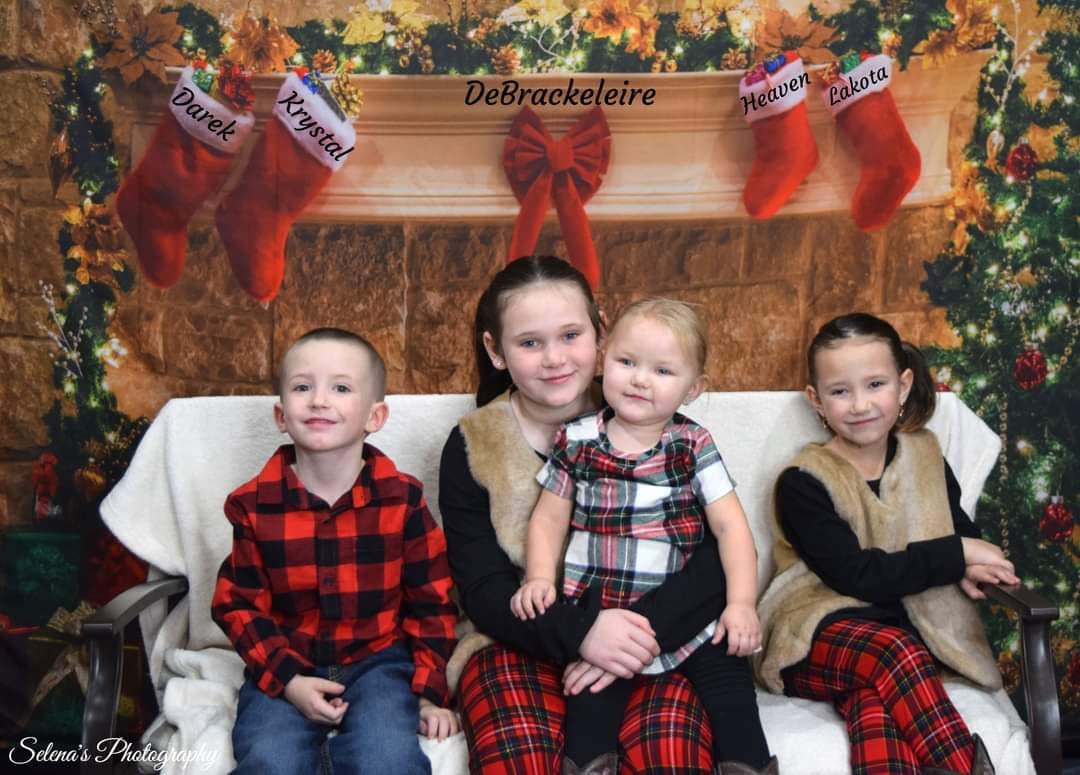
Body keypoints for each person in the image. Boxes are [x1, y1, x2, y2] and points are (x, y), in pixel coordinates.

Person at [439, 256, 731, 774]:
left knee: (672, 750)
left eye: (570, 335)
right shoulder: (472, 443)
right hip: (515, 639)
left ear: (600, 329)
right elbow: (482, 588)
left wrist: (637, 633)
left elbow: (714, 560)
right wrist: (582, 632)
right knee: (524, 760)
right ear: (496, 351)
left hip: (646, 637)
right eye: (529, 343)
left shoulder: (652, 416)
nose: (554, 358)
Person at [511, 298, 776, 775]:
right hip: (603, 616)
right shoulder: (576, 440)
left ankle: (748, 766)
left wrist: (741, 603)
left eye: (662, 371)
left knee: (734, 701)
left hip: (690, 620)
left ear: (693, 389)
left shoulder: (692, 445)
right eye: (626, 362)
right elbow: (549, 518)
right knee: (588, 714)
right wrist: (538, 578)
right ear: (603, 360)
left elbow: (731, 527)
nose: (639, 379)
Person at [754, 313, 1019, 775]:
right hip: (812, 638)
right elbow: (858, 576)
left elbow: (955, 529)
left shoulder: (926, 455)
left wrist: (970, 563)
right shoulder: (803, 482)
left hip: (894, 652)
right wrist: (955, 555)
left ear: (903, 385)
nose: (860, 404)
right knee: (893, 651)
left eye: (875, 384)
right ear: (816, 400)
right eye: (841, 391)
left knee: (875, 710)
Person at [212, 327, 459, 775]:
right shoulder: (254, 506)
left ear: (375, 416)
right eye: (302, 387)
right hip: (288, 658)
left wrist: (428, 691)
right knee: (270, 758)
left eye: (341, 388)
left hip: (380, 661)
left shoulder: (401, 500)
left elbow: (432, 600)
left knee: (388, 759)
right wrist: (287, 681)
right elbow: (239, 605)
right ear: (281, 414)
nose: (319, 400)